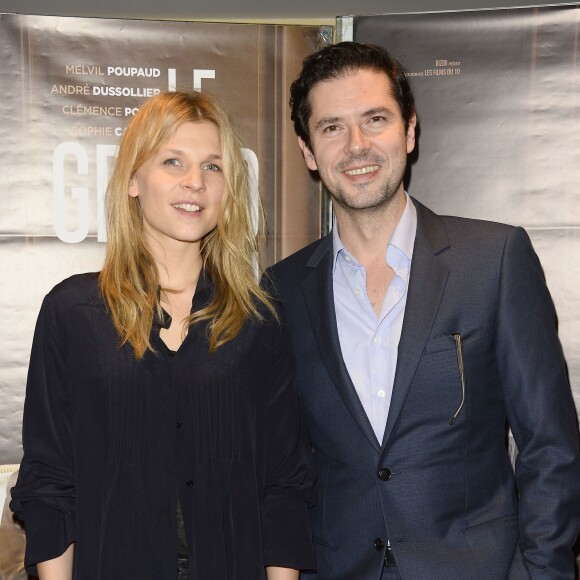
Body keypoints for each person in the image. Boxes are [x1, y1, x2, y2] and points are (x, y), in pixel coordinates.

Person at [268, 41, 580, 579]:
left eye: (375, 119)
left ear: (409, 131)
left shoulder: (494, 261)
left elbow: (549, 445)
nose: (356, 145)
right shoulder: (282, 290)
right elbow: (283, 466)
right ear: (307, 151)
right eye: (331, 128)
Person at [10, 91, 315, 580]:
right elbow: (50, 483)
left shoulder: (261, 320)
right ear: (133, 179)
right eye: (173, 161)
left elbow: (284, 485)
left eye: (213, 167)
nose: (195, 181)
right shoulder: (73, 313)